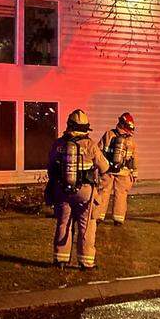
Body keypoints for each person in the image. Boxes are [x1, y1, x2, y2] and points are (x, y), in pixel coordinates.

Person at [47, 109, 109, 270]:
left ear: (69, 125)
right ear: (85, 128)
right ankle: (86, 262)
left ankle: (60, 259)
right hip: (85, 192)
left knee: (63, 223)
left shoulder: (58, 144)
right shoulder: (90, 145)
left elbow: (51, 167)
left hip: (62, 190)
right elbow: (105, 167)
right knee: (87, 226)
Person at [95, 112, 138, 225]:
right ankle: (118, 219)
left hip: (108, 170)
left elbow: (99, 151)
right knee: (121, 194)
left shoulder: (108, 134)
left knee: (103, 192)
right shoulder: (131, 140)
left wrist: (99, 167)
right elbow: (134, 158)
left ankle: (99, 216)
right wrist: (134, 173)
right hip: (124, 172)